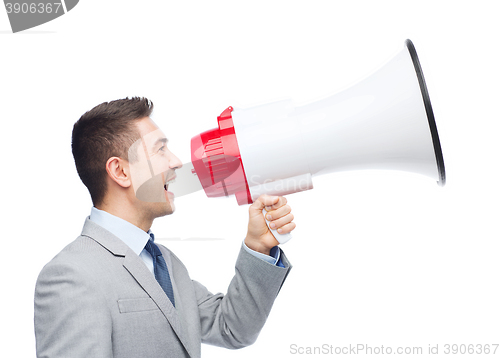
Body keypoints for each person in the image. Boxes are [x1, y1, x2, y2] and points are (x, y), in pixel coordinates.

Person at [34, 97, 295, 358]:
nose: (176, 162)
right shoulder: (71, 276)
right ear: (120, 171)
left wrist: (258, 246)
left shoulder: (168, 265)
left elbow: (232, 329)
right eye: (160, 150)